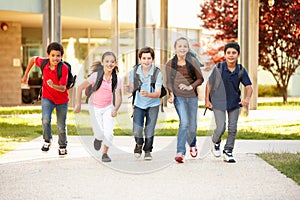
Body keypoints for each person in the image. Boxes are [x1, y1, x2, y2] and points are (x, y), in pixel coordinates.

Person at [205, 42, 253, 163]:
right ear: (225, 55)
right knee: (221, 127)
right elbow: (209, 84)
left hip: (234, 103)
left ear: (238, 55)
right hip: (218, 102)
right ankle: (215, 141)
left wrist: (247, 99)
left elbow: (249, 87)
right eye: (228, 53)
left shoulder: (241, 70)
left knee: (232, 128)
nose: (231, 55)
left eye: (234, 53)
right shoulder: (219, 68)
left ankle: (228, 151)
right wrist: (206, 100)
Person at [22, 42, 69, 155]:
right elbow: (33, 59)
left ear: (61, 56)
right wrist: (26, 74)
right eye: (53, 55)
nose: (55, 58)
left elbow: (63, 88)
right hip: (47, 97)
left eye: (58, 56)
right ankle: (47, 140)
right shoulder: (44, 63)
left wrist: (52, 85)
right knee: (45, 119)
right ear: (48, 55)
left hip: (62, 100)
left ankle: (62, 145)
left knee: (61, 125)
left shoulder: (64, 68)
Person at [74, 51, 122, 162]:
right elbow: (80, 87)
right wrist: (78, 105)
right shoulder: (96, 76)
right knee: (100, 133)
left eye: (112, 61)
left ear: (115, 63)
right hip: (95, 107)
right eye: (107, 61)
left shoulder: (117, 79)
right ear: (102, 62)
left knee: (109, 133)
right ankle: (98, 138)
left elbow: (119, 97)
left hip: (108, 107)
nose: (109, 64)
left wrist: (115, 109)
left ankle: (105, 154)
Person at [165, 37, 204, 163]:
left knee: (192, 125)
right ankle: (180, 152)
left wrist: (190, 86)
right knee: (184, 122)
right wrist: (171, 94)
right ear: (175, 48)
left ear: (188, 49)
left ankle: (192, 144)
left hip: (192, 96)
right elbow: (168, 82)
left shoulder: (192, 61)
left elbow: (200, 79)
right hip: (179, 97)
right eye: (179, 46)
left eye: (185, 46)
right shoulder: (170, 63)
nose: (182, 49)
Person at [127, 46, 163, 161]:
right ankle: (138, 145)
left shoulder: (157, 73)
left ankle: (147, 150)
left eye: (149, 58)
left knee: (149, 130)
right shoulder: (134, 71)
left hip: (153, 104)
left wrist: (148, 94)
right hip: (139, 104)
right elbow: (131, 87)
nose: (146, 61)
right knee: (137, 130)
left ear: (152, 59)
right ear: (140, 59)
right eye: (144, 58)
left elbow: (158, 93)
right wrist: (128, 88)